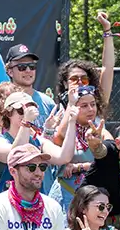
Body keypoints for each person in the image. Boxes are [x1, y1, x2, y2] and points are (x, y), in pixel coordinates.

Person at [0, 86, 78, 197]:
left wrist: (72, 121)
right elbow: (17, 156)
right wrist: (26, 122)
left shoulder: (38, 141)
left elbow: (64, 157)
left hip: (39, 205)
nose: (25, 114)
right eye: (21, 110)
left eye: (30, 110)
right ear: (8, 114)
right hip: (10, 207)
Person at [45, 83, 113, 211]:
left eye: (93, 104)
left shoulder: (100, 131)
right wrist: (71, 104)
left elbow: (110, 159)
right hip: (66, 195)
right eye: (84, 106)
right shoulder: (68, 132)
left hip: (93, 196)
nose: (91, 109)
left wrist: (79, 167)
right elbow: (60, 135)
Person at [54, 11, 119, 110]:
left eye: (84, 79)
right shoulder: (59, 109)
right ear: (65, 83)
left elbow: (108, 67)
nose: (80, 82)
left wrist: (107, 29)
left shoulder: (96, 105)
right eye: (74, 79)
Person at [0, 44, 56, 130]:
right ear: (10, 72)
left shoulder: (48, 103)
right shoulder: (2, 102)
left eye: (32, 66)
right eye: (22, 67)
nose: (28, 71)